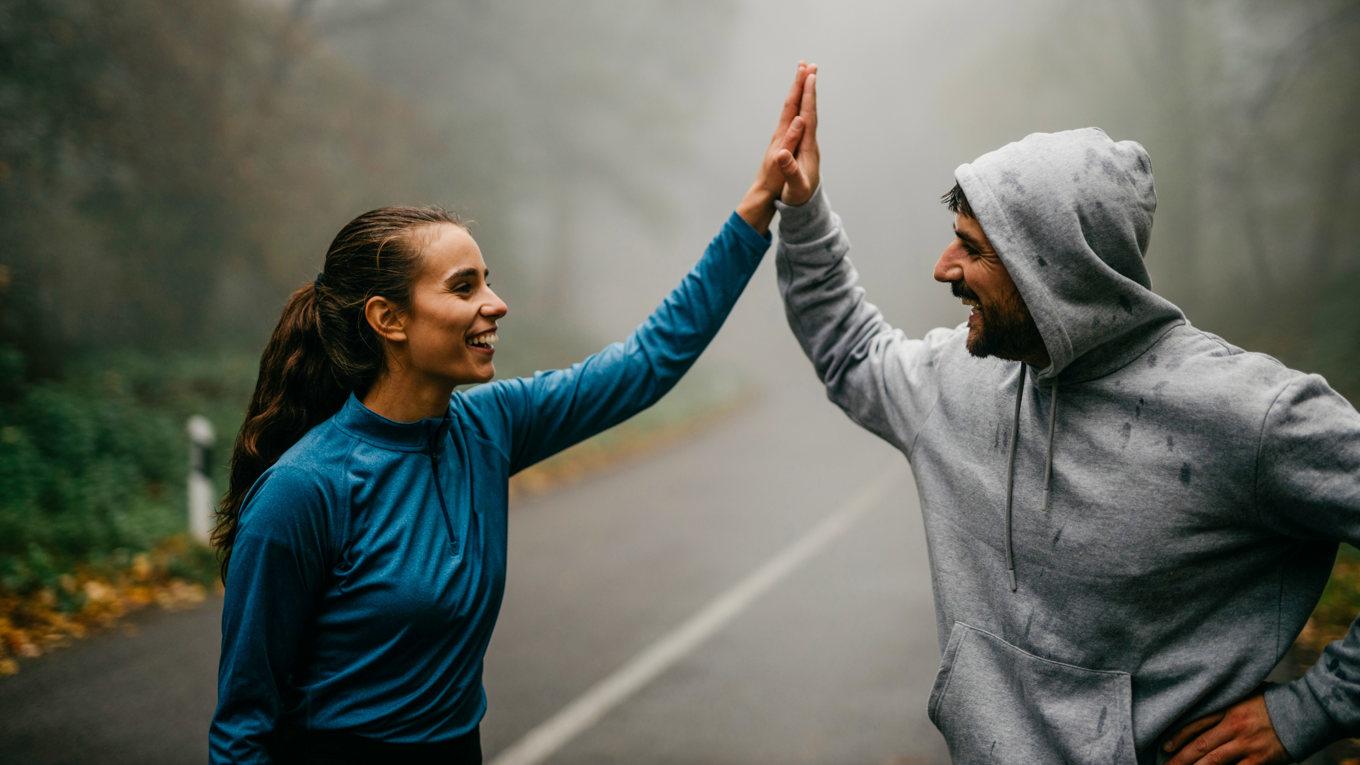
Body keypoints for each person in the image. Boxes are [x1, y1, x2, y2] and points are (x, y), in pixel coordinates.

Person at [209, 64, 819, 764]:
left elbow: (646, 362)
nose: (494, 304)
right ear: (388, 318)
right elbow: (242, 726)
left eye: (488, 282)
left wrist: (759, 206)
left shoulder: (487, 427)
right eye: (465, 287)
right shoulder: (303, 490)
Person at [771, 73, 1360, 764]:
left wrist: (1311, 707)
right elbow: (850, 349)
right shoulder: (956, 384)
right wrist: (804, 207)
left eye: (972, 248)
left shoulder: (1247, 415)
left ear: (1053, 273)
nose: (943, 267)